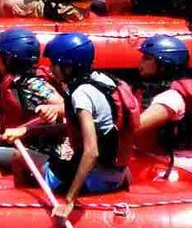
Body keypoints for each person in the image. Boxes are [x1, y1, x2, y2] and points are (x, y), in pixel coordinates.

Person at [12, 31, 132, 216]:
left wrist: (69, 201)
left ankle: (24, 213)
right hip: (117, 175)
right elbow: (75, 129)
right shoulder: (105, 80)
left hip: (95, 181)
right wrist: (28, 132)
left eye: (54, 64)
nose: (51, 69)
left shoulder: (80, 95)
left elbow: (91, 152)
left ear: (68, 68)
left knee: (19, 157)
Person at [0, 26, 63, 182]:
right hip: (17, 147)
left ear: (9, 59)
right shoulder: (16, 81)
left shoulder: (32, 83)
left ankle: (1, 195)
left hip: (36, 152)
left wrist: (55, 108)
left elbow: (64, 105)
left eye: (0, 56)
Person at [129, 34, 192, 181]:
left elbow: (134, 127)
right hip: (154, 159)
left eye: (147, 58)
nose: (140, 62)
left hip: (174, 166)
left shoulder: (172, 97)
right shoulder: (149, 91)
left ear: (163, 65)